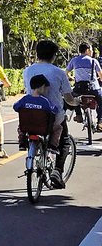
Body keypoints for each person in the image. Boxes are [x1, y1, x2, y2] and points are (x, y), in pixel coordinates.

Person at [22, 40, 80, 189]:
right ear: (54, 56)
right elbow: (68, 98)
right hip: (52, 117)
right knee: (65, 141)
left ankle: (30, 149)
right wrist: (76, 102)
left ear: (37, 53)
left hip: (31, 114)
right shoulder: (59, 73)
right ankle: (57, 171)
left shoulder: (27, 71)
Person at [13, 74, 62, 150]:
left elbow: (15, 107)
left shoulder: (25, 99)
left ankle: (22, 142)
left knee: (20, 127)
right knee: (58, 128)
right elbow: (51, 111)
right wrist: (56, 108)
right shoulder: (44, 101)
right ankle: (52, 146)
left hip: (27, 126)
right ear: (42, 87)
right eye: (46, 89)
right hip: (42, 127)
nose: (47, 91)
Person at [65, 42, 102, 132]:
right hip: (93, 88)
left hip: (79, 88)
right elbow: (100, 75)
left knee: (74, 98)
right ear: (87, 50)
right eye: (91, 49)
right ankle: (100, 121)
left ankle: (78, 115)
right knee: (101, 101)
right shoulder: (94, 61)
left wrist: (70, 77)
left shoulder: (74, 60)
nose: (92, 51)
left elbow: (65, 72)